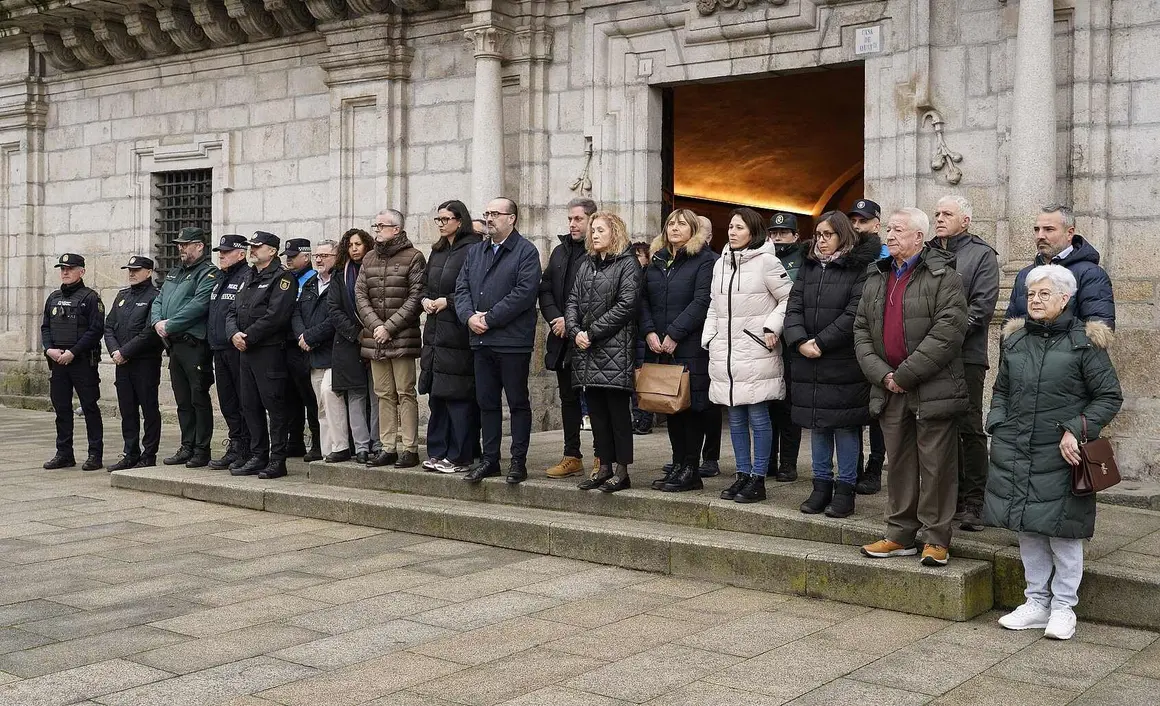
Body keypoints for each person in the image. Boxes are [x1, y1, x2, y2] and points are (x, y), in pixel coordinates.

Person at [986, 265, 1122, 640]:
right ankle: (1035, 602)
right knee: (1028, 527)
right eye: (1031, 294)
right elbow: (1001, 389)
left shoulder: (1084, 342)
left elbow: (1108, 396)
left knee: (1062, 530)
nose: (1035, 300)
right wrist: (997, 422)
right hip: (1017, 446)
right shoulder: (1015, 341)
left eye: (1044, 294)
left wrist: (1075, 430)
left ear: (1065, 298)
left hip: (1062, 453)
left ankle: (1063, 607)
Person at [855, 208, 968, 567]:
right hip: (888, 387)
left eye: (897, 230)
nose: (889, 235)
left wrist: (904, 374)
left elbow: (948, 332)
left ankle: (936, 539)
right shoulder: (876, 275)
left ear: (918, 237)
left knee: (936, 465)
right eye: (888, 229)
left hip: (930, 387)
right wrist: (883, 375)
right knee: (899, 463)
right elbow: (860, 331)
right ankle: (900, 534)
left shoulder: (943, 277)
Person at [784, 211, 879, 517]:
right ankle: (820, 485)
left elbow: (855, 313)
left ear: (843, 236)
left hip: (842, 361)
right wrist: (800, 340)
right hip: (808, 360)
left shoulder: (860, 268)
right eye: (819, 235)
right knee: (818, 426)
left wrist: (820, 343)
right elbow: (793, 305)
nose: (821, 241)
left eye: (828, 235)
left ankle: (845, 489)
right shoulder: (810, 267)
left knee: (845, 428)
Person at [704, 208, 792, 503]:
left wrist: (771, 327)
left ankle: (758, 477)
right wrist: (710, 336)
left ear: (752, 231)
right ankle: (742, 475)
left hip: (755, 350)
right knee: (736, 415)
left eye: (739, 227)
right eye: (730, 226)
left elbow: (789, 297)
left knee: (757, 414)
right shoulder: (721, 263)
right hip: (726, 351)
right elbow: (713, 304)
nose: (732, 232)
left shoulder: (767, 261)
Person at [455, 197, 543, 484]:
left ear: (512, 218)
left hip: (512, 341)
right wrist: (469, 317)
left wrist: (489, 318)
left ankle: (518, 461)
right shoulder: (476, 252)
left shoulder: (526, 252)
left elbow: (524, 293)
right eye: (487, 213)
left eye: (496, 213)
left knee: (517, 402)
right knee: (486, 402)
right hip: (480, 341)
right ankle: (490, 460)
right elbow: (462, 288)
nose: (489, 218)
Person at [929, 195, 1000, 532]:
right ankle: (947, 496)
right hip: (928, 356)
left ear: (965, 221)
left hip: (965, 355)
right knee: (938, 427)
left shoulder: (981, 254)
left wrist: (943, 337)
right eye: (937, 213)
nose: (940, 218)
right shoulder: (926, 252)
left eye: (947, 214)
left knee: (969, 426)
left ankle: (974, 500)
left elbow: (982, 307)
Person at [640, 209, 718, 493]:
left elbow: (702, 301)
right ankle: (677, 464)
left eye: (681, 224)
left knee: (691, 407)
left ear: (694, 229)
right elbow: (643, 298)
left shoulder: (705, 260)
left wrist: (674, 333)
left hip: (690, 345)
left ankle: (691, 469)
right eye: (671, 223)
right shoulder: (658, 259)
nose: (674, 227)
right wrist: (649, 331)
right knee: (670, 406)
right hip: (659, 345)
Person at [566, 211, 641, 493]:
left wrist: (592, 332)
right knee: (596, 413)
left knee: (617, 414)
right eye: (593, 230)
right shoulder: (586, 264)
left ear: (615, 233)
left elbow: (626, 305)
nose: (594, 234)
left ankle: (622, 472)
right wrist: (575, 332)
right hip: (587, 350)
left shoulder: (627, 264)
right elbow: (572, 300)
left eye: (600, 230)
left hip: (614, 349)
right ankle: (604, 467)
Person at [356, 209, 426, 469]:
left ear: (396, 229)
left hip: (401, 337)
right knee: (383, 393)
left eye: (381, 226)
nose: (377, 230)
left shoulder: (414, 257)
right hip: (375, 337)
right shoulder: (369, 258)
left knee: (405, 392)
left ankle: (409, 447)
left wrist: (390, 327)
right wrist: (376, 326)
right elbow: (360, 295)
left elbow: (416, 297)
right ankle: (387, 446)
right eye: (375, 226)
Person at [225, 231, 298, 480]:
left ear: (272, 251)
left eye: (257, 246)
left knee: (274, 405)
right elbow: (232, 310)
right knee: (250, 405)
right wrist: (233, 333)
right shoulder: (247, 276)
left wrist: (247, 337)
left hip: (268, 352)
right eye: (251, 246)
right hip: (245, 351)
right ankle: (258, 455)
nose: (252, 250)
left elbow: (276, 316)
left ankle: (277, 459)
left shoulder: (283, 278)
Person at [420, 200, 482, 473]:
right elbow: (424, 284)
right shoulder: (437, 251)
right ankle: (437, 451)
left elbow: (475, 288)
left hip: (458, 332)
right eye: (439, 219)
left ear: (460, 220)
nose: (442, 224)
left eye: (446, 219)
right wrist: (424, 300)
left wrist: (449, 301)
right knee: (436, 395)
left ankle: (459, 456)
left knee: (457, 396)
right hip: (435, 332)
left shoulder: (473, 249)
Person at [541, 197, 597, 479]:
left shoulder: (600, 251)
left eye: (578, 219)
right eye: (570, 219)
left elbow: (602, 296)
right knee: (568, 399)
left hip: (591, 338)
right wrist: (555, 318)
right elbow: (546, 287)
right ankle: (572, 455)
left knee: (598, 400)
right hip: (562, 338)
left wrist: (571, 322)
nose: (573, 224)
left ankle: (603, 456)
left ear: (592, 220)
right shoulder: (560, 252)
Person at [151, 227, 216, 468]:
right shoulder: (174, 272)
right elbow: (159, 299)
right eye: (179, 244)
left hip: (193, 344)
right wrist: (157, 321)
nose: (181, 248)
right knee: (182, 400)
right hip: (174, 344)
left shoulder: (208, 273)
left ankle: (202, 448)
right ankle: (186, 445)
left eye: (186, 244)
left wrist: (171, 324)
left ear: (199, 246)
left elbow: (199, 305)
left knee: (198, 396)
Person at [1004, 203, 1115, 329]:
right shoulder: (1025, 275)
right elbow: (1009, 329)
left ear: (1069, 233)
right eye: (1037, 229)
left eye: (1048, 229)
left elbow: (1098, 332)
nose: (1040, 236)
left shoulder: (1090, 274)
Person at [41, 253, 104, 471]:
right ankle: (64, 453)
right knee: (62, 409)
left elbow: (95, 331)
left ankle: (95, 454)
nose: (65, 272)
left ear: (82, 271)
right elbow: (46, 327)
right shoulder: (53, 297)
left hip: (82, 362)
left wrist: (73, 352)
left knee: (89, 408)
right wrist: (48, 349)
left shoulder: (91, 298)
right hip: (58, 361)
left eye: (70, 268)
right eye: (62, 269)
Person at [104, 256, 163, 471]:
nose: (131, 273)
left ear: (148, 272)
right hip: (122, 363)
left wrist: (125, 351)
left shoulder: (155, 296)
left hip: (144, 362)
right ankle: (130, 453)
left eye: (136, 270)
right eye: (129, 269)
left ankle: (149, 454)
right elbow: (109, 326)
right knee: (127, 410)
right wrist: (114, 352)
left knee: (149, 408)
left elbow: (149, 332)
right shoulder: (122, 295)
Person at [328, 228, 381, 464]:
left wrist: (374, 331)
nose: (354, 248)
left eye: (358, 244)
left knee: (378, 393)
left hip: (378, 337)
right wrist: (356, 334)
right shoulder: (340, 275)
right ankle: (360, 445)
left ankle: (379, 443)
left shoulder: (377, 269)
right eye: (350, 245)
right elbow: (334, 310)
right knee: (356, 394)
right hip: (350, 342)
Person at [848, 199, 889, 495]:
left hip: (877, 344)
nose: (857, 226)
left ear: (877, 224)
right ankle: (853, 465)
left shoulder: (887, 257)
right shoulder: (845, 255)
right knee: (851, 409)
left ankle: (874, 466)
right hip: (848, 342)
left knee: (878, 411)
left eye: (862, 221)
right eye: (854, 221)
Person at [207, 234, 252, 471]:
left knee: (243, 400)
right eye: (220, 252)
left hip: (236, 349)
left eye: (226, 252)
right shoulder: (219, 278)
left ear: (241, 254)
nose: (221, 256)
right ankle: (235, 444)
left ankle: (246, 447)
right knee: (227, 401)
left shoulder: (246, 276)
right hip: (218, 348)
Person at [766, 213, 805, 481]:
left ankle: (788, 463)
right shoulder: (762, 258)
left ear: (795, 235)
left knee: (788, 405)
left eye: (784, 232)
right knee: (767, 403)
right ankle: (767, 460)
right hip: (765, 339)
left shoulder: (804, 260)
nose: (778, 237)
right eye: (774, 232)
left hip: (789, 339)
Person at [293, 240, 340, 460]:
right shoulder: (311, 282)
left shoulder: (339, 281)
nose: (319, 260)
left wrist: (311, 337)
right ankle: (325, 450)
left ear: (336, 257)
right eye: (317, 256)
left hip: (331, 351)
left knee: (329, 398)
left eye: (325, 255)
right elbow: (296, 312)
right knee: (319, 404)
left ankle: (339, 447)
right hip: (310, 353)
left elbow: (336, 318)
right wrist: (302, 335)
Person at [282, 238, 322, 462]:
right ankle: (294, 441)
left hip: (306, 345)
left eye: (292, 255)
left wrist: (304, 336)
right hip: (287, 345)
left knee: (311, 398)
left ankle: (317, 443)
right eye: (286, 256)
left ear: (306, 257)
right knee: (291, 397)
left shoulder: (313, 279)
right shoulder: (287, 279)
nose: (288, 259)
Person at [629, 241, 654, 436]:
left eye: (640, 255)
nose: (637, 260)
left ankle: (644, 418)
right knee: (633, 381)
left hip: (643, 337)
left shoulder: (648, 276)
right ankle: (636, 417)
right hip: (633, 337)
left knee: (644, 380)